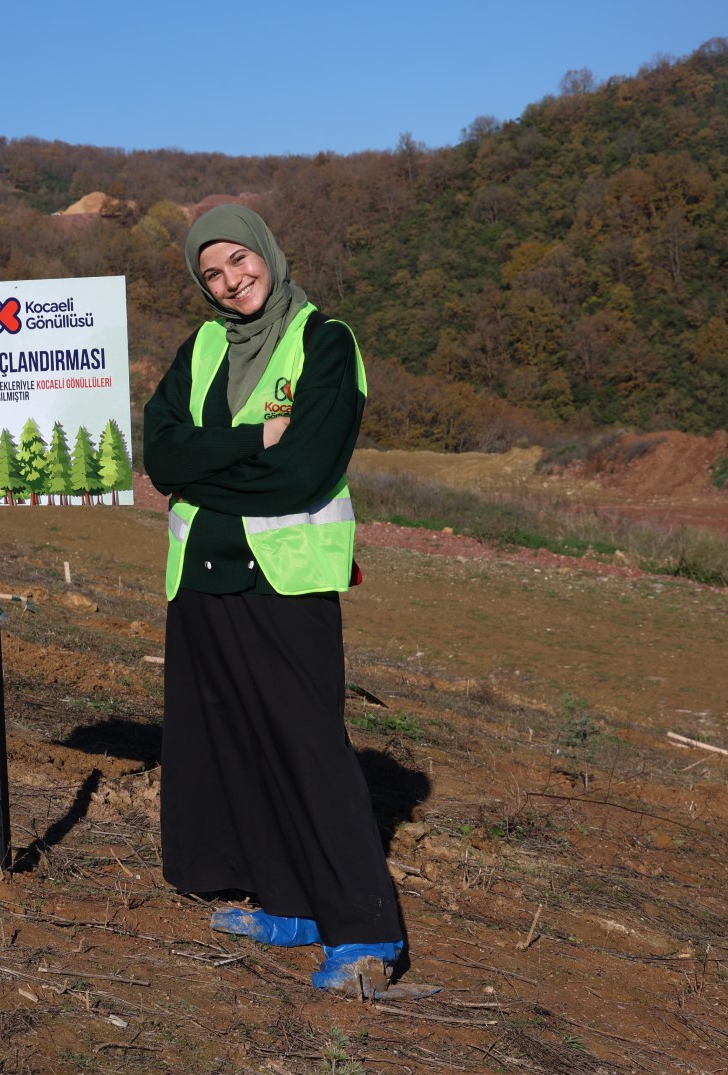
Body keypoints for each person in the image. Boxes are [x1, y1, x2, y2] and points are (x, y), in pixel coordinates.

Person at [143, 204, 424, 998]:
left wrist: (204, 463)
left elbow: (302, 472)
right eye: (213, 273)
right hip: (199, 574)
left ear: (267, 250)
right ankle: (291, 902)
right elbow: (160, 454)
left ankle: (365, 928)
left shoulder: (327, 343)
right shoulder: (198, 349)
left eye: (239, 260)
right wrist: (248, 441)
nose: (232, 281)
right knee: (233, 740)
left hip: (286, 577)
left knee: (307, 745)